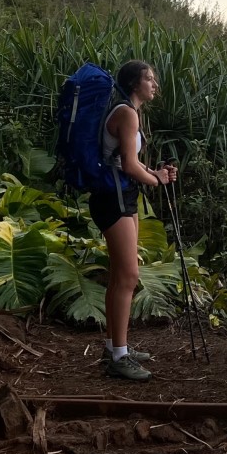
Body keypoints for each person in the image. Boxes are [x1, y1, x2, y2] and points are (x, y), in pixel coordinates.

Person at [88, 60, 176, 381]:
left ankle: (114, 347)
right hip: (113, 198)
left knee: (119, 276)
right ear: (134, 84)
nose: (154, 84)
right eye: (149, 79)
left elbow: (129, 162)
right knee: (128, 276)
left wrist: (155, 173)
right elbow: (128, 164)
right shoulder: (127, 114)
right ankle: (119, 358)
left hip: (120, 195)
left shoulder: (127, 111)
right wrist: (157, 180)